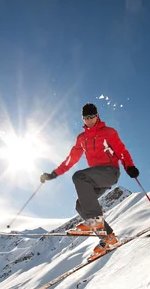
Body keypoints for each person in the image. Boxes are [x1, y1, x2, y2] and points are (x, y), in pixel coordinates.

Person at [40, 103, 140, 256]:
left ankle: (95, 221)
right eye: (86, 118)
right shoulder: (82, 138)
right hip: (95, 177)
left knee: (79, 177)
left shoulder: (108, 132)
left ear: (97, 116)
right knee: (80, 205)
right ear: (83, 119)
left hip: (109, 172)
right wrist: (53, 174)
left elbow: (122, 151)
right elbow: (71, 159)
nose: (89, 120)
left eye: (92, 117)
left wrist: (130, 167)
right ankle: (108, 238)